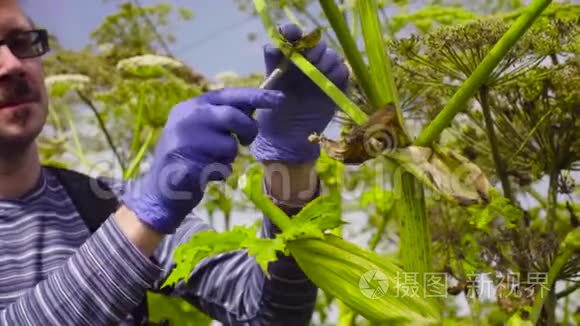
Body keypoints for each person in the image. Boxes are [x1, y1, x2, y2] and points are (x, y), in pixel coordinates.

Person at [0, 1, 350, 325]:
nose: (13, 65)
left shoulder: (104, 202)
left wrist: (288, 165)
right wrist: (145, 215)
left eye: (20, 41)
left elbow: (266, 313)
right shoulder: (133, 212)